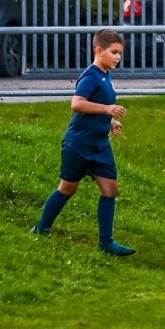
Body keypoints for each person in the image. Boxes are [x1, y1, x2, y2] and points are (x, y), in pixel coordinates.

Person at [32, 29, 134, 256]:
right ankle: (41, 229)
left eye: (120, 53)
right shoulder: (91, 75)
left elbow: (95, 107)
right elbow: (77, 104)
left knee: (111, 189)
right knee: (68, 188)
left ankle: (106, 244)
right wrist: (107, 109)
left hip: (100, 143)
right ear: (99, 50)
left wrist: (110, 121)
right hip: (79, 143)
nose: (118, 57)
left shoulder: (106, 75)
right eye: (114, 52)